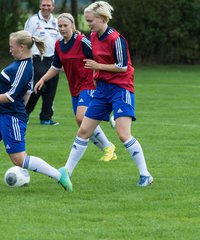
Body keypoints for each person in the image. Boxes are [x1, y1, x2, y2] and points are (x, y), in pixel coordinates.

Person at [0, 30, 72, 192]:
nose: (10, 50)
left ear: (22, 47)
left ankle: (59, 175)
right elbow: (27, 93)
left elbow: (11, 97)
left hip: (11, 117)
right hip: (0, 113)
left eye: (12, 47)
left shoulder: (23, 68)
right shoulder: (24, 64)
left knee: (19, 160)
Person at [62, 1, 153, 187]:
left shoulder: (116, 39)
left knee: (123, 134)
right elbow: (96, 59)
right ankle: (66, 172)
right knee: (84, 130)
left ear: (102, 19)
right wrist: (96, 75)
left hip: (121, 88)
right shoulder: (94, 37)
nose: (89, 25)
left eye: (90, 21)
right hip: (102, 89)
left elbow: (122, 66)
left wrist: (98, 67)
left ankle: (145, 175)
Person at [35, 13, 117, 162]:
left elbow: (99, 57)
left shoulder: (82, 41)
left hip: (89, 84)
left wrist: (99, 76)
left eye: (65, 25)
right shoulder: (59, 45)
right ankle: (108, 147)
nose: (62, 28)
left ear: (73, 26)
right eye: (59, 26)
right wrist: (43, 79)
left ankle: (109, 135)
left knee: (82, 117)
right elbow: (56, 66)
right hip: (74, 88)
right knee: (82, 122)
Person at [24, 0, 60, 125]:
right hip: (36, 58)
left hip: (53, 59)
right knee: (37, 86)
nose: (46, 7)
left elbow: (60, 41)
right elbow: (26, 39)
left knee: (51, 87)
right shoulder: (33, 20)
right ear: (40, 6)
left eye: (48, 5)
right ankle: (25, 112)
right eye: (43, 5)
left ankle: (46, 117)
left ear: (53, 7)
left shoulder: (56, 22)